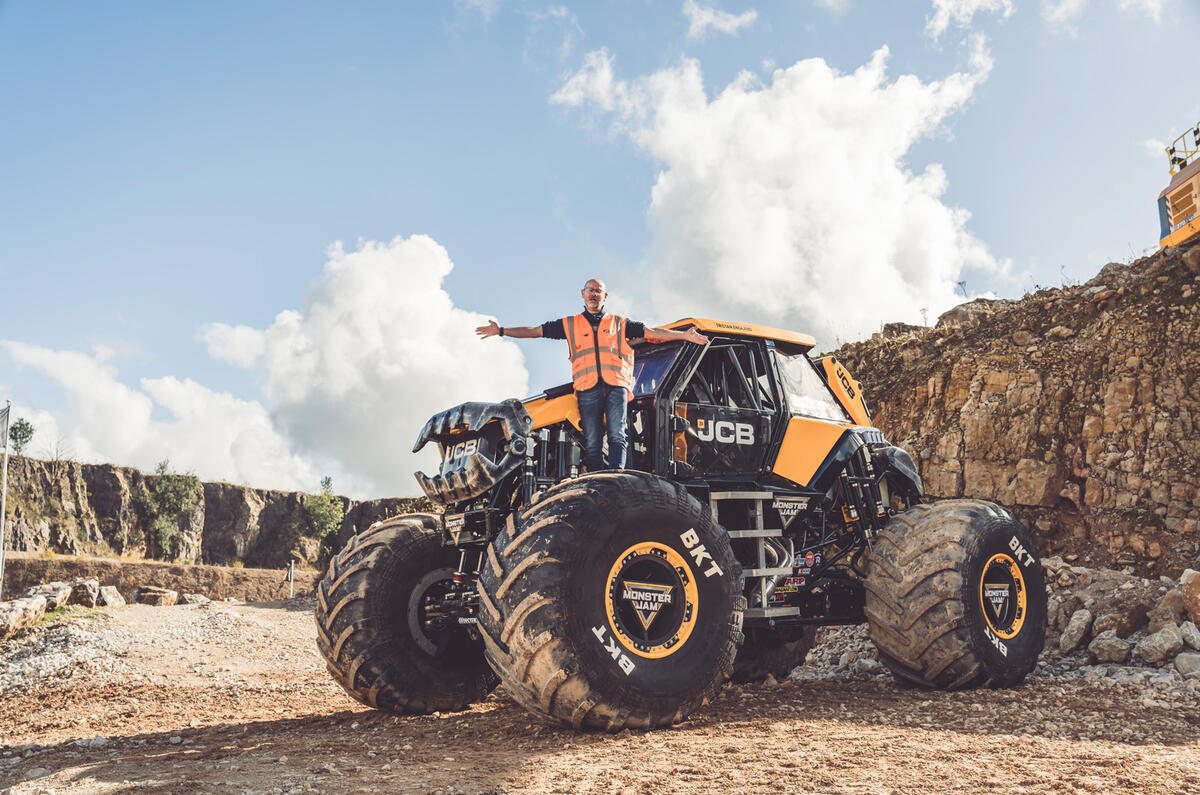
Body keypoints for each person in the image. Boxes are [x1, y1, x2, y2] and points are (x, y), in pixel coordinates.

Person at [476, 278, 708, 471]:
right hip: (587, 389)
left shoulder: (620, 323)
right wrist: (502, 330)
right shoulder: (569, 324)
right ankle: (599, 480)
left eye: (599, 291)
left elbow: (651, 332)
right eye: (591, 290)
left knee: (618, 434)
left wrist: (683, 336)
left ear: (605, 297)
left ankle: (617, 475)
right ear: (583, 294)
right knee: (593, 441)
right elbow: (535, 331)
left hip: (616, 386)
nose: (594, 294)